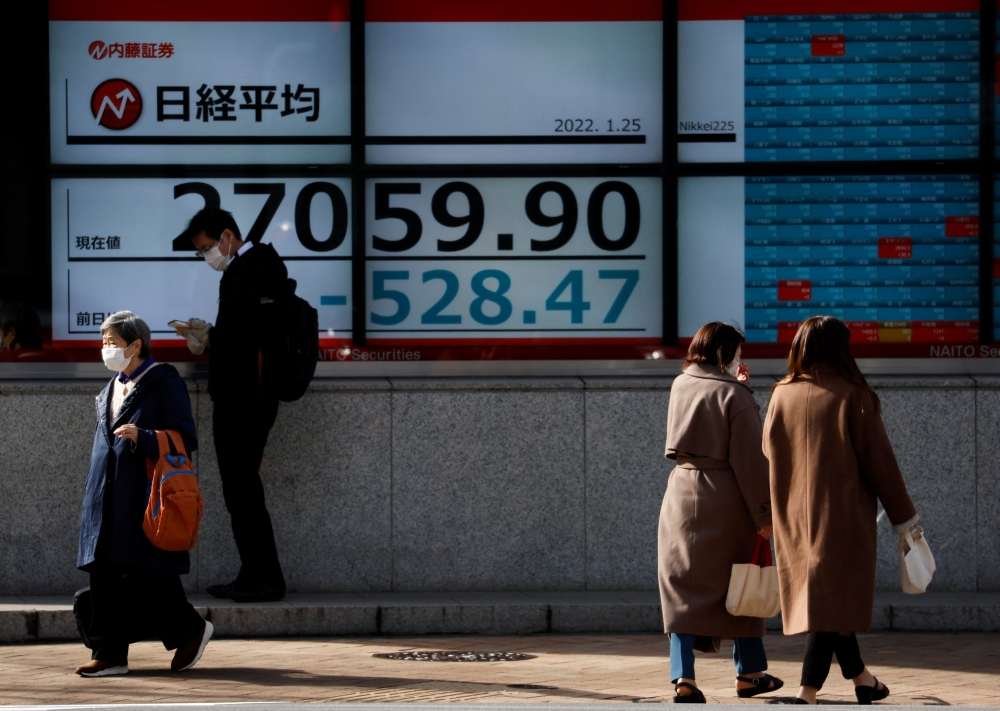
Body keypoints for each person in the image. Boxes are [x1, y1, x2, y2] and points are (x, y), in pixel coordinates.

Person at [763, 316, 920, 705]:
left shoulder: (781, 393)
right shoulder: (853, 394)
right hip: (842, 518)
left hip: (794, 518)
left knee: (829, 601)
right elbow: (880, 462)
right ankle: (807, 691)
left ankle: (863, 680)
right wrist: (905, 519)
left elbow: (767, 452)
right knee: (831, 605)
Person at [76, 311, 212, 677]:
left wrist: (146, 437)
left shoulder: (163, 381)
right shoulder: (109, 390)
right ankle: (109, 654)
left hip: (145, 495)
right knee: (103, 572)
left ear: (135, 345)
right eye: (103, 342)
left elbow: (186, 438)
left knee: (148, 574)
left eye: (112, 343)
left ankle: (190, 631)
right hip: (106, 496)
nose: (105, 349)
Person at [659, 322, 784, 703]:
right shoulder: (736, 394)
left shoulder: (680, 383)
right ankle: (749, 673)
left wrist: (737, 384)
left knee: (682, 588)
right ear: (724, 354)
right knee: (743, 580)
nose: (740, 360)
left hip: (682, 491)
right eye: (737, 354)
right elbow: (748, 459)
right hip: (726, 496)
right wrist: (764, 515)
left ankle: (683, 678)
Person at [174, 207, 287, 602]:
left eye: (207, 247)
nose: (208, 256)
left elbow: (248, 338)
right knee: (241, 489)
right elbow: (245, 334)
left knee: (242, 489)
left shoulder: (255, 267)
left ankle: (262, 577)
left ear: (227, 235)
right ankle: (256, 573)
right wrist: (208, 336)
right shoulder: (249, 267)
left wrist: (209, 338)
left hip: (245, 398)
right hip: (245, 395)